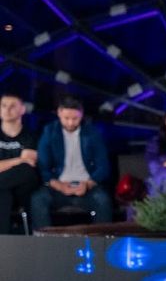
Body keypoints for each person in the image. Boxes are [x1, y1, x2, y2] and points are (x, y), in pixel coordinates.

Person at [31, 96, 113, 227]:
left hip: (87, 186)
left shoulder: (92, 133)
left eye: (75, 118)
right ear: (59, 113)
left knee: (103, 200)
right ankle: (43, 239)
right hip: (58, 186)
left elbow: (103, 166)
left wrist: (88, 184)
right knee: (38, 199)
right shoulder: (50, 131)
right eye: (66, 118)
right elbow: (43, 165)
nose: (70, 123)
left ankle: (101, 238)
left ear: (82, 114)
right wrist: (58, 185)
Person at [0, 92, 39, 233]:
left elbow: (29, 166)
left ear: (22, 109)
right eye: (4, 105)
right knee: (3, 193)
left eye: (12, 106)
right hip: (4, 187)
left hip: (24, 190)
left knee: (26, 171)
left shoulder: (30, 135)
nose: (7, 109)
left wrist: (5, 165)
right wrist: (19, 160)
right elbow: (23, 161)